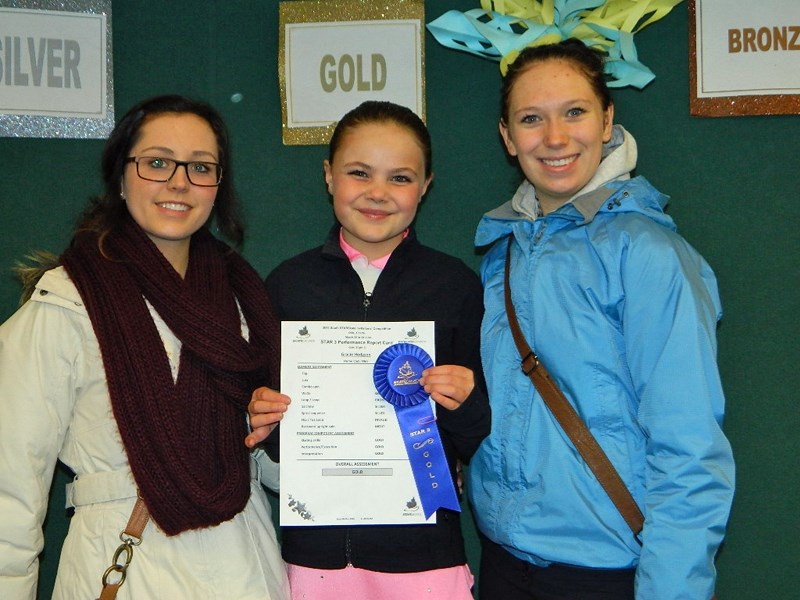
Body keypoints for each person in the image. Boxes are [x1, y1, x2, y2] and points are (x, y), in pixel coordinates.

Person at [467, 39, 735, 600]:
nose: (556, 138)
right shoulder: (503, 253)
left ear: (607, 120)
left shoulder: (649, 254)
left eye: (575, 112)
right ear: (507, 136)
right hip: (502, 562)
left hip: (605, 575)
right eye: (532, 119)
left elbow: (689, 448)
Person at [0, 95, 290, 600]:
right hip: (125, 565)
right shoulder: (64, 304)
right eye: (157, 162)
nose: (179, 182)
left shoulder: (246, 300)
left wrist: (284, 435)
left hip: (246, 565)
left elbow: (274, 472)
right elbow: (11, 490)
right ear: (120, 174)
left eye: (201, 167)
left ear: (218, 185)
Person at [245, 100, 491, 600]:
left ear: (425, 186)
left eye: (400, 178)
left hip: (425, 556)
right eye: (359, 173)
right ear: (329, 176)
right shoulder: (286, 286)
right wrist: (262, 419)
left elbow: (477, 434)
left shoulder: (455, 286)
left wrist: (466, 402)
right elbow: (273, 435)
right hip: (314, 558)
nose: (378, 193)